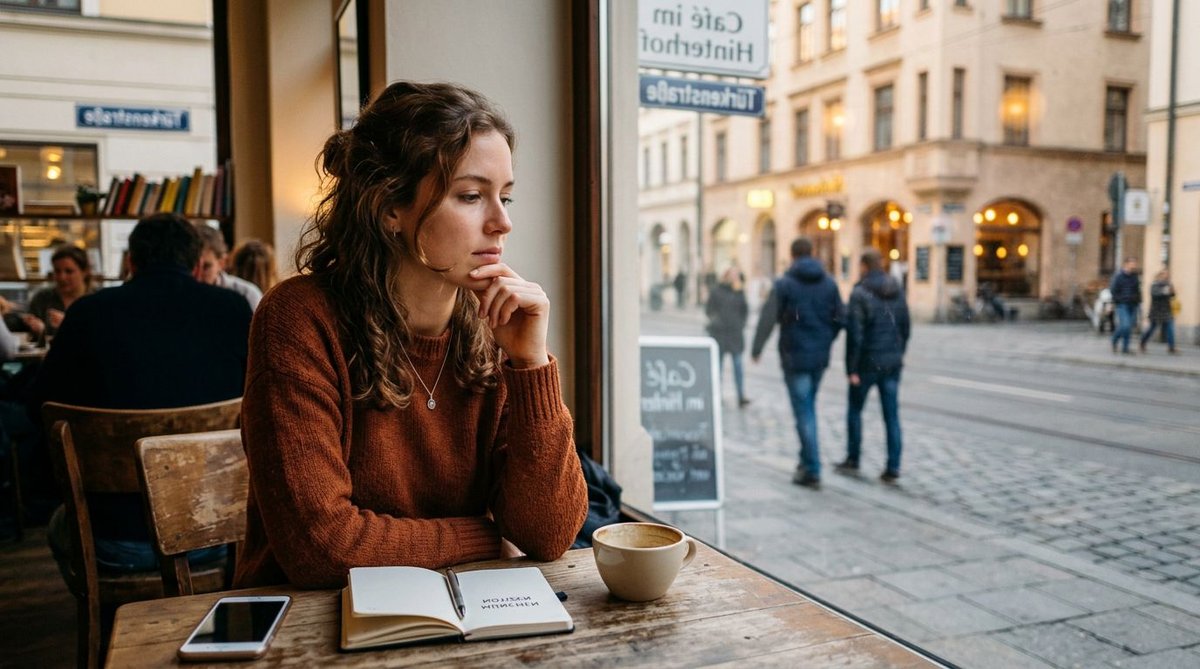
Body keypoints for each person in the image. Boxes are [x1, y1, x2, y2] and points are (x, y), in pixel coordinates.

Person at [234, 81, 588, 589]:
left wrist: (531, 365)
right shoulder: (299, 319)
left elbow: (548, 534)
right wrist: (483, 537)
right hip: (309, 625)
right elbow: (322, 549)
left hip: (461, 617)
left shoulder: (497, 328)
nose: (502, 222)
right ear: (388, 208)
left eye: (505, 197)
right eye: (471, 196)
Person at [32, 212, 252, 571]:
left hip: (112, 539)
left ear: (131, 262)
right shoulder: (232, 309)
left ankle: (109, 620)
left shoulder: (87, 314)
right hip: (221, 532)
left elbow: (40, 407)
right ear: (198, 264)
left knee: (59, 527)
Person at [751, 237, 843, 489]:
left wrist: (757, 348)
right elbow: (839, 318)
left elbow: (768, 318)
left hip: (795, 356)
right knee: (808, 407)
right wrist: (825, 340)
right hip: (819, 358)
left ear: (792, 255)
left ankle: (812, 469)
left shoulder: (785, 284)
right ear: (812, 252)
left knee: (804, 412)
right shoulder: (829, 283)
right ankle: (805, 462)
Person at [838, 248, 911, 483]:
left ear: (864, 266)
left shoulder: (860, 292)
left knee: (855, 411)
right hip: (891, 363)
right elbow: (905, 326)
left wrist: (852, 369)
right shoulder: (897, 290)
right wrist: (899, 353)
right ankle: (893, 466)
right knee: (891, 415)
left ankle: (853, 458)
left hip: (867, 363)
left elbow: (855, 334)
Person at [22, 244, 94, 343]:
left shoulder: (97, 300)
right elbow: (29, 340)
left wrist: (68, 326)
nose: (62, 277)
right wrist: (37, 330)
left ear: (84, 272)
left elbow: (102, 337)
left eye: (69, 271)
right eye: (57, 271)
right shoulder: (42, 298)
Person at [705, 266, 750, 408]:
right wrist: (716, 321)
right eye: (732, 275)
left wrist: (741, 324)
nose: (735, 278)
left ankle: (741, 395)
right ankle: (716, 395)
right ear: (726, 276)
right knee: (718, 367)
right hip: (719, 334)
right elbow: (709, 310)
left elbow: (745, 310)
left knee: (738, 366)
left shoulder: (739, 292)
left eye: (737, 275)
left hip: (735, 334)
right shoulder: (716, 290)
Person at [193, 223, 264, 311]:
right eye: (192, 266)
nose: (197, 275)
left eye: (206, 267)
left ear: (222, 263)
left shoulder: (247, 294)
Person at [1139, 268, 1177, 354]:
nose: (1166, 275)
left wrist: (1172, 292)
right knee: (1151, 328)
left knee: (1170, 328)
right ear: (1160, 275)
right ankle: (1142, 342)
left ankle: (1171, 347)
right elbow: (1155, 294)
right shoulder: (1155, 284)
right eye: (1164, 274)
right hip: (1156, 310)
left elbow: (1172, 296)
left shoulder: (1169, 284)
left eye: (1167, 274)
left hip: (1167, 310)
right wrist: (1166, 291)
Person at [1109, 257, 1140, 354]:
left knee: (1128, 327)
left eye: (1135, 263)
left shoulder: (1135, 276)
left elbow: (1137, 290)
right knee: (1125, 325)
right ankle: (1114, 340)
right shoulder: (1118, 276)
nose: (1134, 265)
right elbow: (1113, 290)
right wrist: (1118, 300)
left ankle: (1125, 348)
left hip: (1133, 304)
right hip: (1122, 304)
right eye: (1132, 263)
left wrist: (1138, 301)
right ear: (1126, 264)